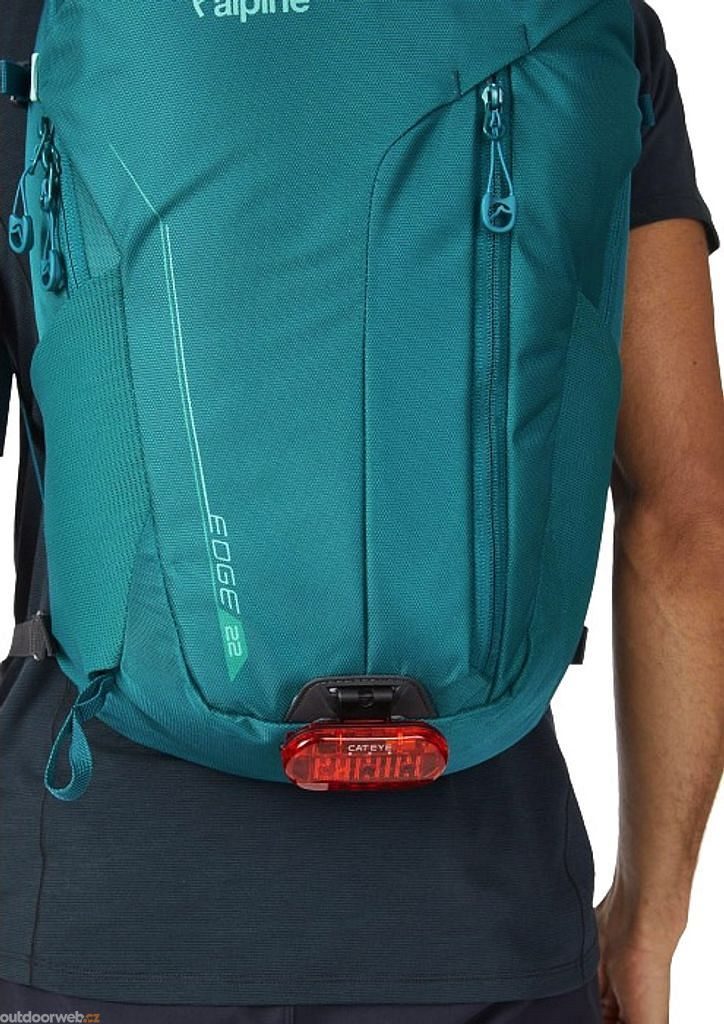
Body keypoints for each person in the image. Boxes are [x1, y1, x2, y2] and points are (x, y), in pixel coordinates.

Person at [0, 3, 721, 1022]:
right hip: (485, 921)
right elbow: (688, 520)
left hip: (95, 905)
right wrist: (651, 920)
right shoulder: (587, 23)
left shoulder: (30, 28)